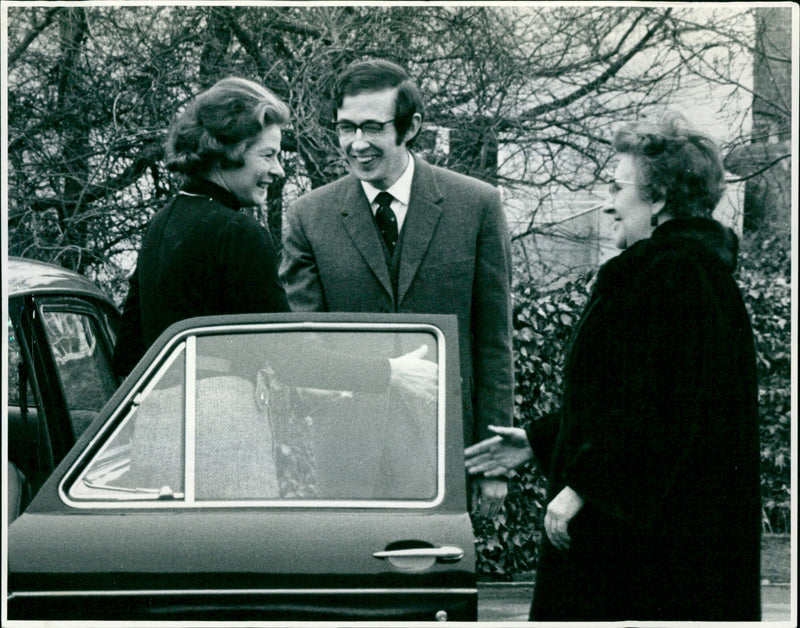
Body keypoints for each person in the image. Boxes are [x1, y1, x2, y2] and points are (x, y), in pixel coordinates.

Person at [465, 112, 761, 621]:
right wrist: (537, 439)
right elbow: (628, 398)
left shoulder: (666, 275)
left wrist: (585, 487)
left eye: (617, 186)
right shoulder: (698, 273)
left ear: (660, 197)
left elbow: (662, 412)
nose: (608, 203)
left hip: (640, 557)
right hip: (676, 551)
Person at [279, 58, 514, 517]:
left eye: (372, 127)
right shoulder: (310, 216)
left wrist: (493, 462)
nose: (357, 143)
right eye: (345, 127)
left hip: (442, 448)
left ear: (411, 127)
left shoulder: (476, 205)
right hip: (344, 453)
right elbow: (299, 340)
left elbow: (493, 343)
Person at [112, 76, 434, 398]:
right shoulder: (237, 233)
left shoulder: (161, 223)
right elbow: (290, 358)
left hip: (159, 428)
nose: (279, 170)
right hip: (220, 427)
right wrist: (390, 372)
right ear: (231, 151)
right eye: (268, 155)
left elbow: (128, 353)